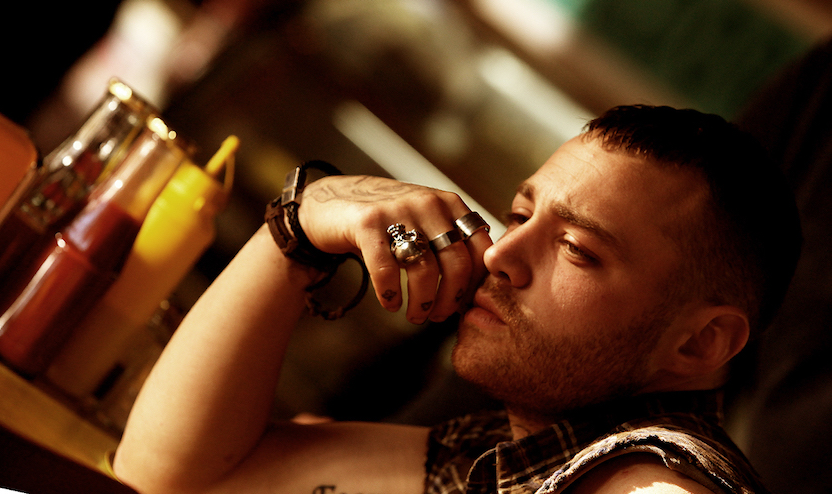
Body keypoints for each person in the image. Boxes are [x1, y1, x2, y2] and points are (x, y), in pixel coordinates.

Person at [112, 105, 801, 494]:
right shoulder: (503, 453)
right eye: (520, 214)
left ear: (700, 343)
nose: (501, 254)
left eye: (576, 249)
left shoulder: (657, 481)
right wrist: (304, 222)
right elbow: (168, 475)